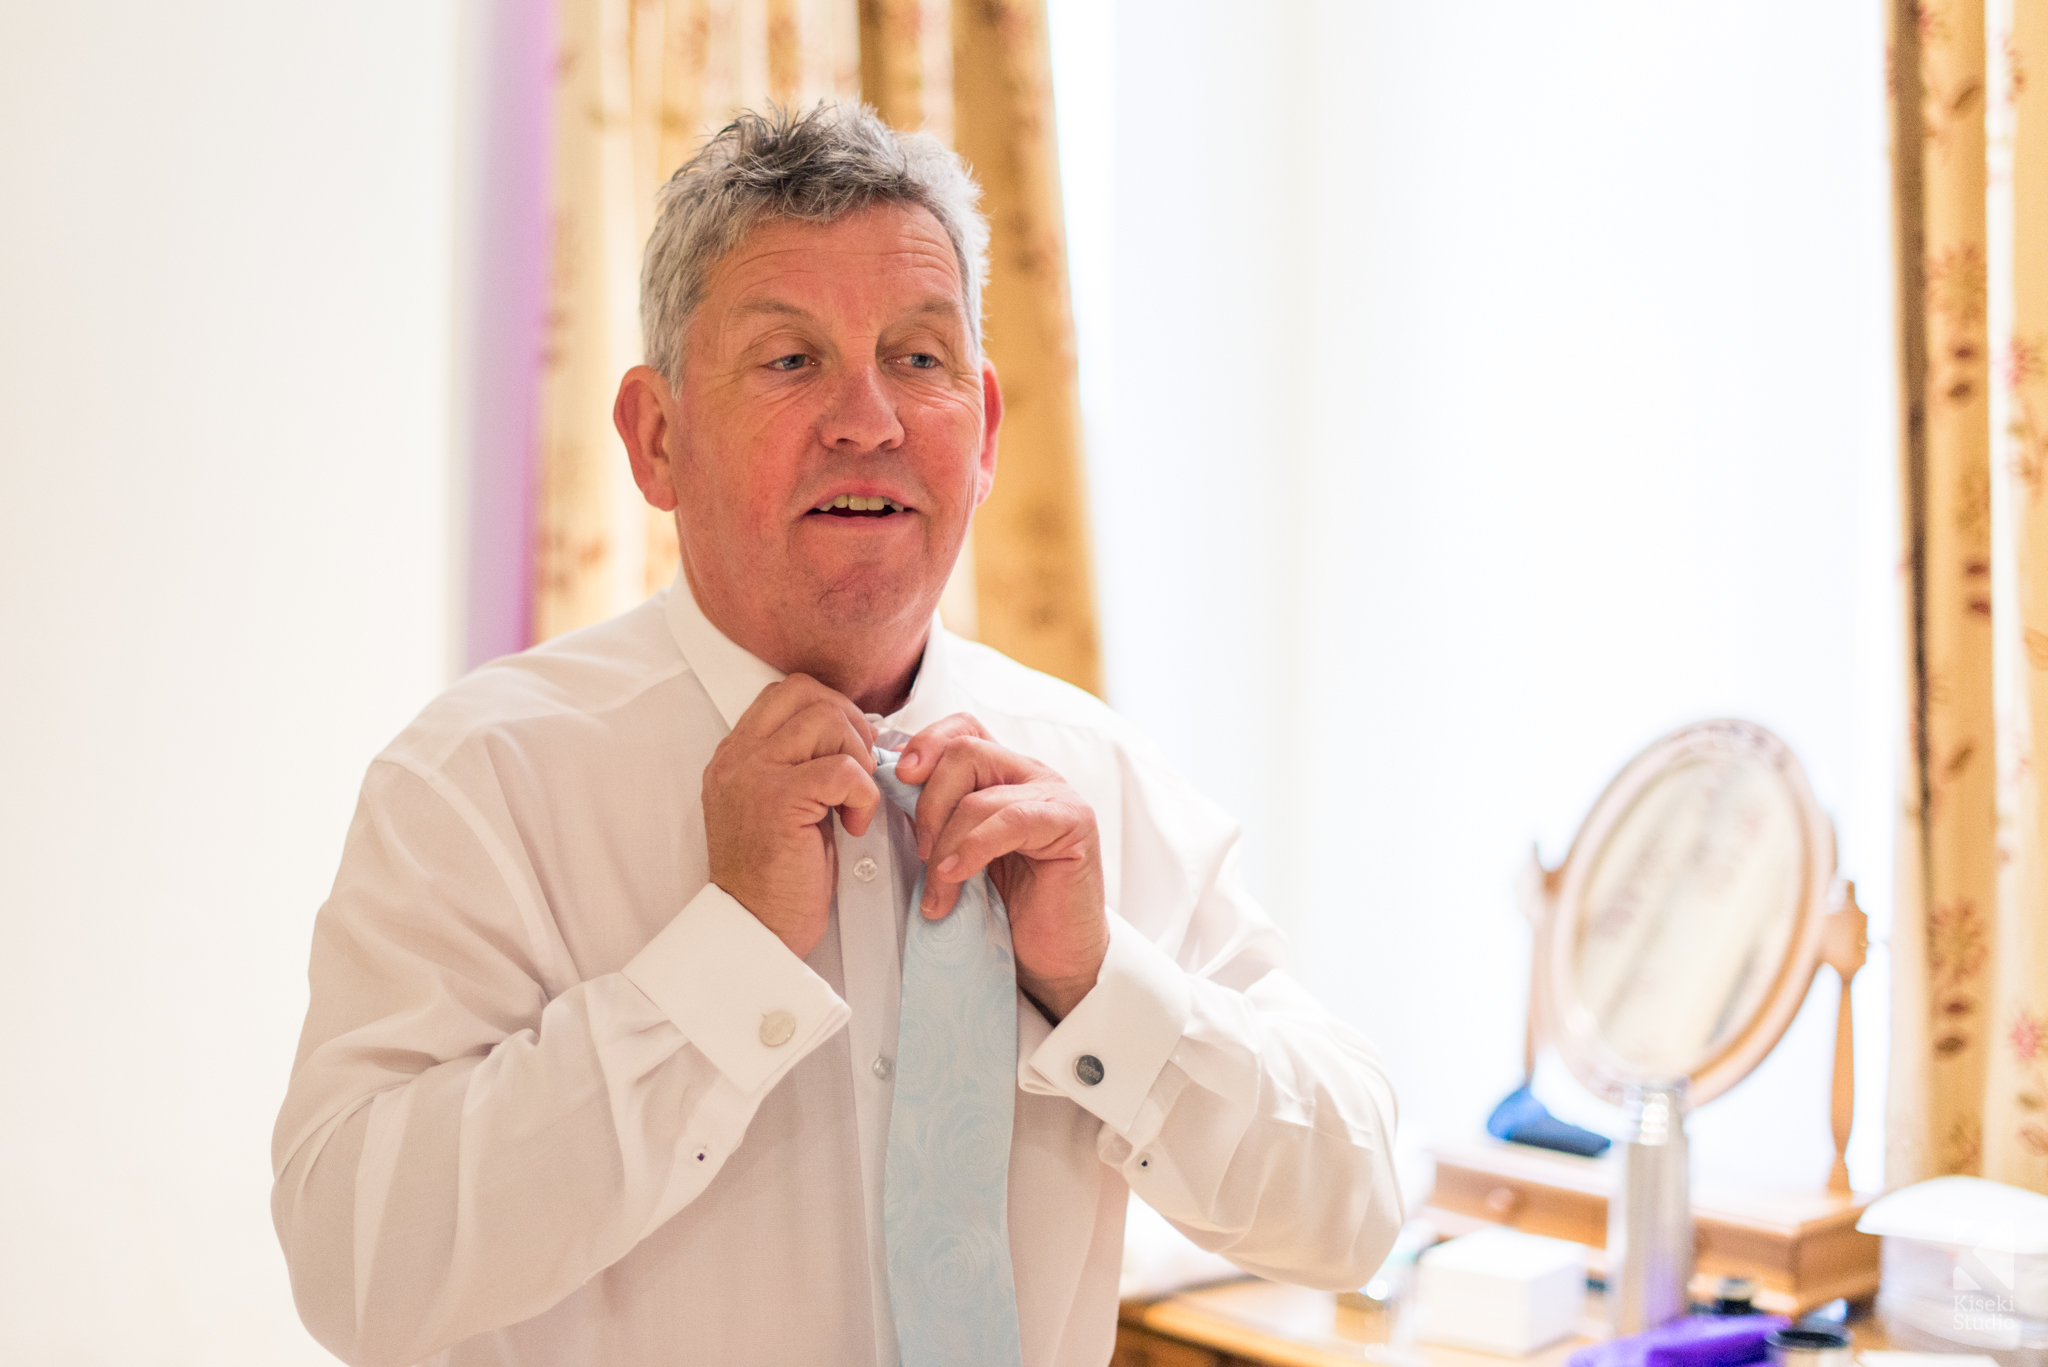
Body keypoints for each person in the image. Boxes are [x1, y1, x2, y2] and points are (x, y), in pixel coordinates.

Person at [272, 103, 1400, 1367]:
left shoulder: (1094, 775)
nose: (868, 419)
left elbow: (1355, 1208)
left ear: (981, 431)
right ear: (656, 437)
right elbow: (355, 1265)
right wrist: (723, 962)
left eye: (918, 358)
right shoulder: (482, 782)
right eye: (789, 359)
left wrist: (1101, 986)